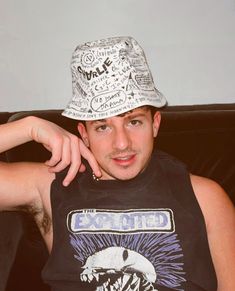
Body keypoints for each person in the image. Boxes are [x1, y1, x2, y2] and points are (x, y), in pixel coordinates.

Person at [0, 36, 235, 291]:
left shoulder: (206, 197)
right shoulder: (50, 184)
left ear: (155, 123)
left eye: (133, 121)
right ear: (84, 134)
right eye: (102, 127)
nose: (122, 143)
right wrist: (29, 127)